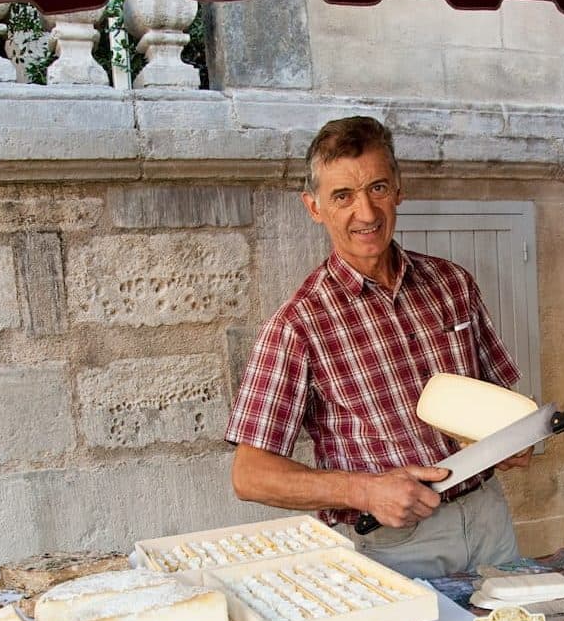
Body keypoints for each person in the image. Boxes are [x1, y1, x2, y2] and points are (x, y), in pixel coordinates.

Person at [224, 115, 532, 578]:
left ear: (399, 190)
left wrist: (514, 439)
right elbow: (249, 475)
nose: (366, 214)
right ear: (314, 207)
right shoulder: (298, 325)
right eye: (342, 196)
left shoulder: (451, 283)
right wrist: (364, 492)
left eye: (378, 189)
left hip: (488, 516)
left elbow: (499, 406)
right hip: (395, 544)